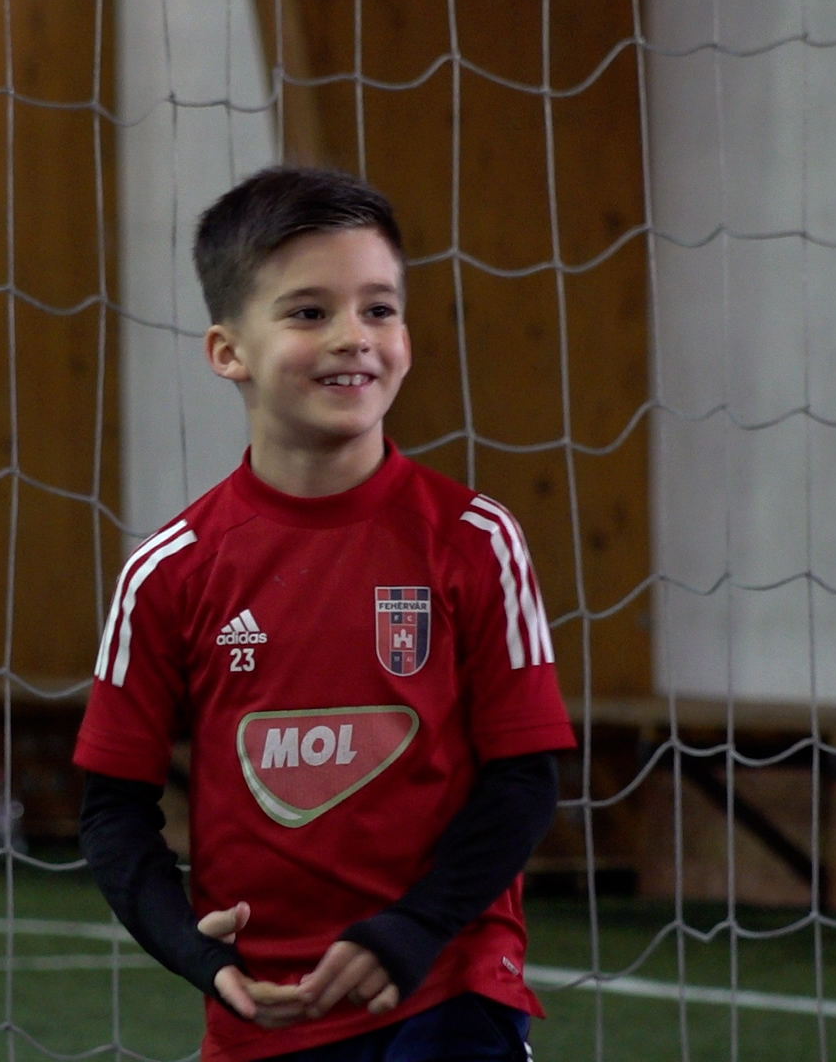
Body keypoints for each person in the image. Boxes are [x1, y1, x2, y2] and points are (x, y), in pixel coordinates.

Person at [75, 166, 575, 1061]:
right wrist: (192, 949)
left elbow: (525, 777)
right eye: (309, 312)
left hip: (443, 982)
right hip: (266, 1010)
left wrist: (415, 927)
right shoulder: (169, 572)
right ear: (228, 351)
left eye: (380, 309)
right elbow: (113, 809)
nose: (355, 337)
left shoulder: (475, 540)